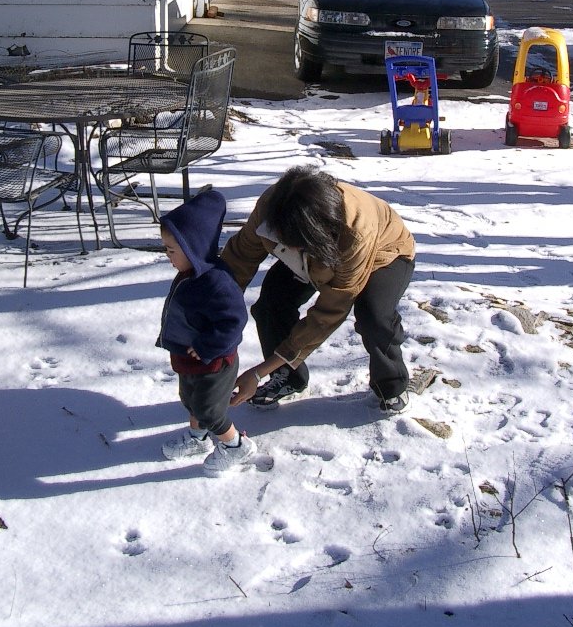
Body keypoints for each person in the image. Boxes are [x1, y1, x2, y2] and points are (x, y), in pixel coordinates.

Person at [223, 166, 416, 414]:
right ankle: (289, 378)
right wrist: (217, 310)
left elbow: (328, 313)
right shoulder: (272, 206)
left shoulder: (355, 231)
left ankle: (391, 384)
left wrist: (259, 372)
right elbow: (240, 257)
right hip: (314, 256)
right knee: (271, 304)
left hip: (386, 251)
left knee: (374, 316)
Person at [157, 189, 257, 475]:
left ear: (193, 248)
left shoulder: (215, 282)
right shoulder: (191, 274)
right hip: (188, 358)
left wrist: (207, 345)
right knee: (190, 400)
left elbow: (234, 320)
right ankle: (198, 438)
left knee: (209, 410)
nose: (168, 256)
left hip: (213, 362)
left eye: (171, 250)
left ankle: (236, 447)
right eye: (166, 248)